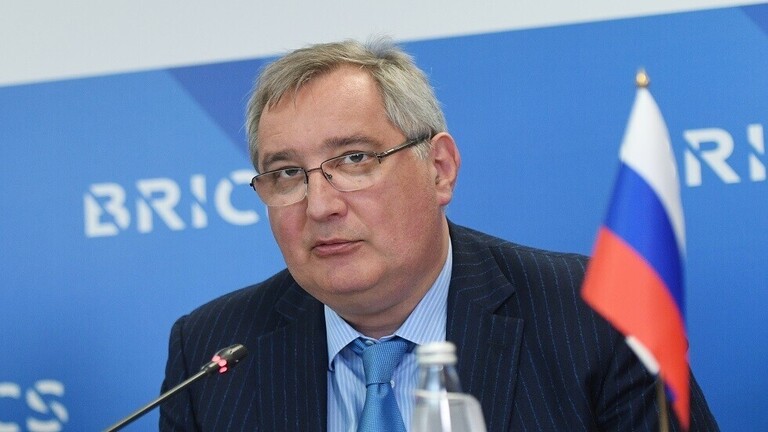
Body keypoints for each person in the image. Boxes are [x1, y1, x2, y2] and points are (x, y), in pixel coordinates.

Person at [160, 38, 719, 431]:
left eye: (354, 159)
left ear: (440, 169)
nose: (321, 205)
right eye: (287, 174)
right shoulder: (211, 353)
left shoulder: (593, 312)